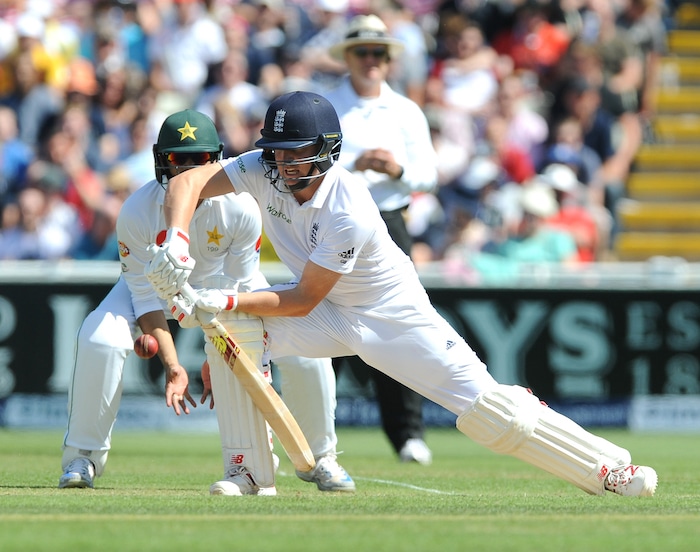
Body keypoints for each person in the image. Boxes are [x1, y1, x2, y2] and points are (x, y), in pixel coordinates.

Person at [147, 91, 658, 498]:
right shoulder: (262, 168)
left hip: (390, 316)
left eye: (294, 154)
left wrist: (225, 299)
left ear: (326, 152)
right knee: (232, 337)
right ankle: (249, 474)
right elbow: (187, 183)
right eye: (274, 150)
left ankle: (611, 468)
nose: (279, 164)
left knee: (494, 413)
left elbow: (302, 298)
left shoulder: (349, 207)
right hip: (330, 313)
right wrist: (177, 238)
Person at [58, 108, 355, 495]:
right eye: (177, 160)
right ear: (160, 160)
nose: (186, 171)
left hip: (224, 292)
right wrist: (173, 365)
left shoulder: (241, 206)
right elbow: (145, 296)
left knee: (306, 350)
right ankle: (83, 456)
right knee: (100, 338)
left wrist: (221, 351)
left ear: (214, 160)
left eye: (198, 161)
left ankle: (322, 457)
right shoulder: (135, 210)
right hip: (154, 290)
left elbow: (241, 286)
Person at [323, 14, 437, 465]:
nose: (371, 60)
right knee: (320, 321)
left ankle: (408, 433)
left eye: (378, 53)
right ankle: (310, 435)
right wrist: (357, 165)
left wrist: (395, 170)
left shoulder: (406, 111)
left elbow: (428, 173)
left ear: (388, 61)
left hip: (389, 219)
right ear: (348, 57)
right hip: (335, 218)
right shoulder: (328, 105)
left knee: (397, 326)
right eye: (362, 52)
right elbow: (309, 164)